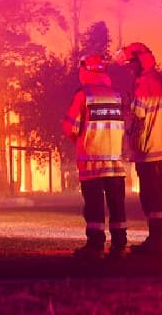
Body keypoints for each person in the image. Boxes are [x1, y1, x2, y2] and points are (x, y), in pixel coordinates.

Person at [62, 52, 130, 260]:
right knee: (117, 204)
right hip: (115, 163)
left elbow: (69, 126)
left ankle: (95, 245)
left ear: (85, 71)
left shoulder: (84, 95)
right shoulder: (117, 95)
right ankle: (119, 245)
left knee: (94, 205)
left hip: (91, 161)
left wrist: (79, 141)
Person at [119, 42, 162, 254]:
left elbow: (137, 113)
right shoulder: (160, 81)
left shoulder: (144, 84)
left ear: (140, 61)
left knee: (151, 193)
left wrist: (126, 109)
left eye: (131, 64)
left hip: (148, 147)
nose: (130, 68)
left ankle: (157, 241)